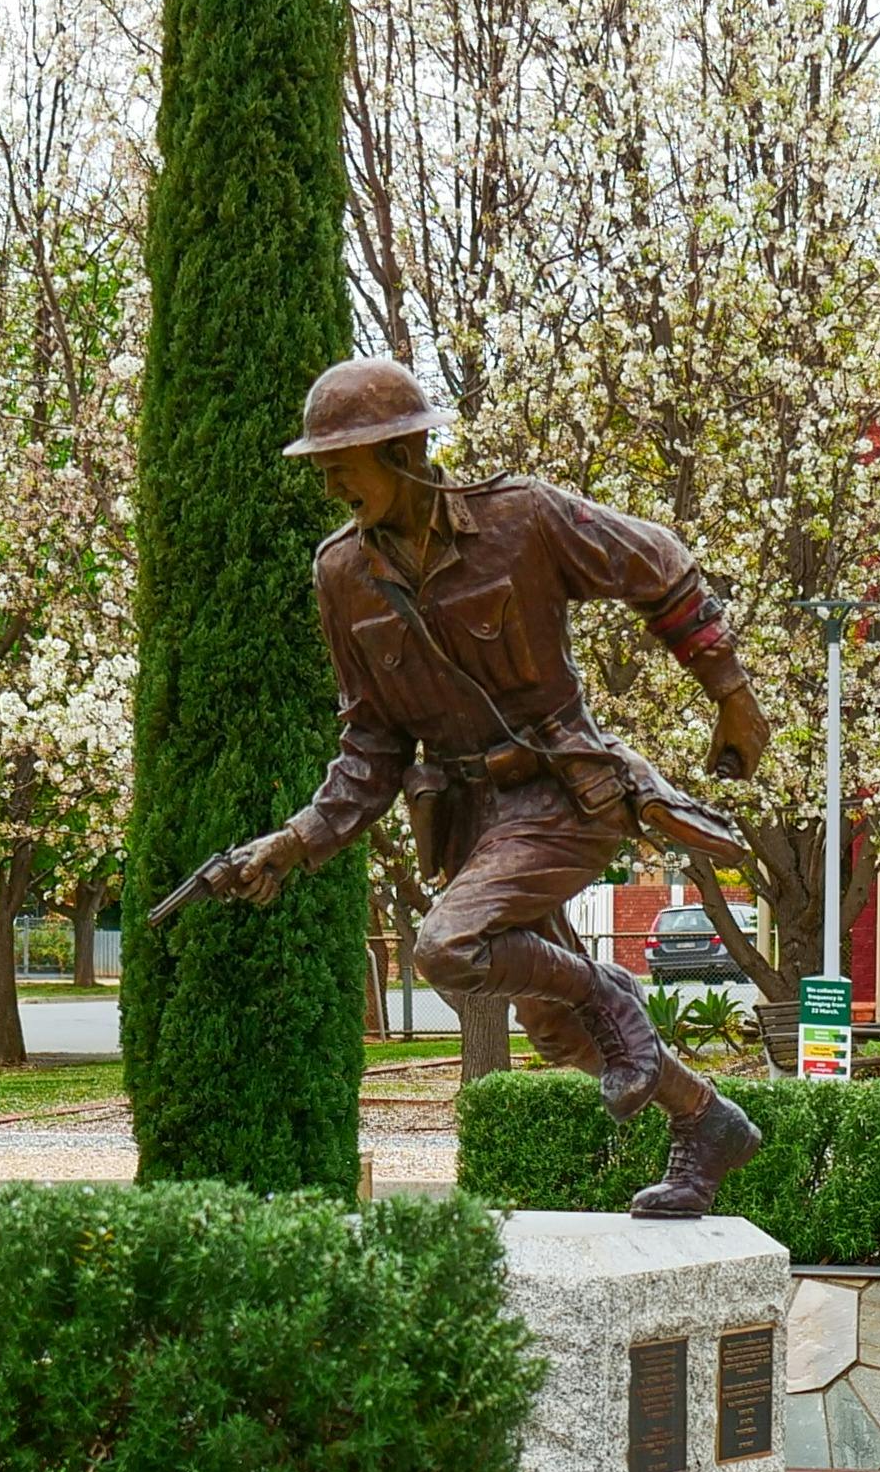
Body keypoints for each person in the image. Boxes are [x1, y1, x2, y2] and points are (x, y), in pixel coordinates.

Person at [197, 357, 768, 1215]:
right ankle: (706, 1120)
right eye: (323, 469)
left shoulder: (521, 517)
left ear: (401, 452)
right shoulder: (342, 574)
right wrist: (296, 840)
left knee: (446, 948)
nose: (331, 485)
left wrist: (731, 697)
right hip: (472, 820)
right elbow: (371, 745)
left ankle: (608, 990)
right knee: (559, 1031)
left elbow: (656, 565)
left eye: (342, 465)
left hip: (565, 790)